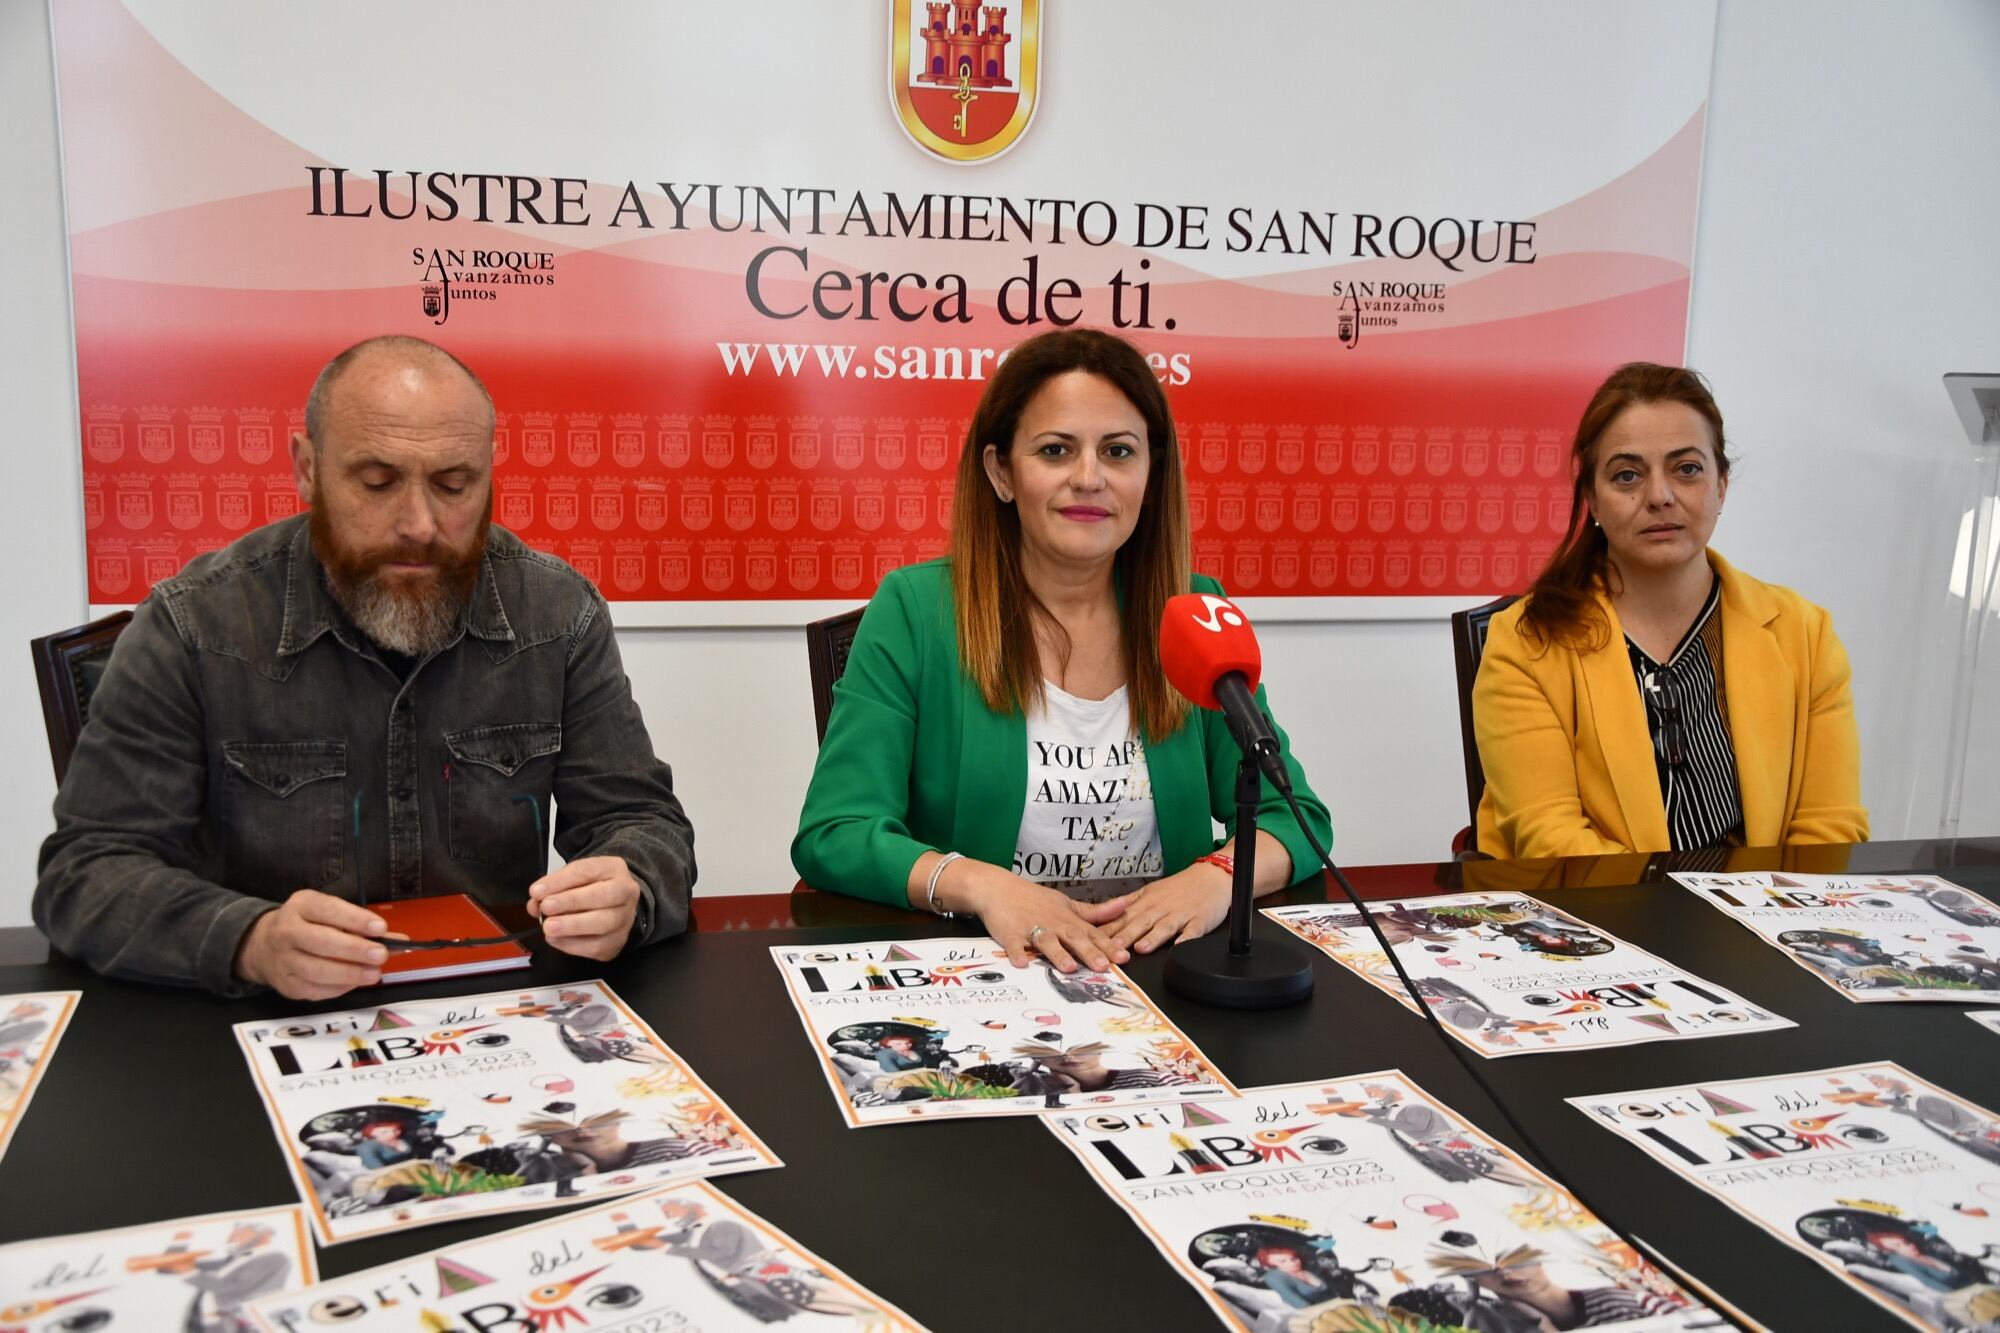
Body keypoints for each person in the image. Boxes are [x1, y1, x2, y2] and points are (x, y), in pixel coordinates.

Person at [35, 336, 695, 998]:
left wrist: (629, 887)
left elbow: (645, 822)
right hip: (262, 1026)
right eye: (378, 482)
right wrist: (250, 941)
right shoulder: (197, 625)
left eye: (453, 484)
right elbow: (86, 873)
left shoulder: (557, 615)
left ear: (490, 474)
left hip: (496, 1019)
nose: (418, 524)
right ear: (307, 468)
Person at [792, 328, 1330, 972]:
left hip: (1158, 969)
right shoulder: (916, 610)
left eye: (1119, 451)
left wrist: (1216, 876)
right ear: (1001, 472)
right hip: (996, 968)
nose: (1089, 477)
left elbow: (1296, 819)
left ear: (1150, 475)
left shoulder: (1192, 609)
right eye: (1055, 450)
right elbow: (836, 834)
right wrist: (985, 886)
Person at [1472, 362, 1867, 859]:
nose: (1659, 496)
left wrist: (1768, 918)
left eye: (1686, 469)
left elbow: (1827, 831)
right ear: (1592, 498)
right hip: (1597, 918)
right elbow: (1550, 839)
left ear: (1721, 485)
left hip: (1761, 920)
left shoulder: (1805, 635)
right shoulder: (1526, 642)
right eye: (1628, 475)